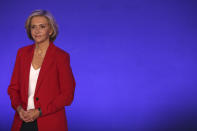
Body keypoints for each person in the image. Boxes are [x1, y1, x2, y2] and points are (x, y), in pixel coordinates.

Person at [7, 10, 76, 131]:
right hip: (22, 120)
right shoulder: (22, 53)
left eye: (42, 26)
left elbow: (67, 95)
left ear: (50, 30)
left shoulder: (61, 57)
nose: (37, 31)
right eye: (33, 27)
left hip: (49, 122)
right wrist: (19, 109)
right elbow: (13, 88)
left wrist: (40, 111)